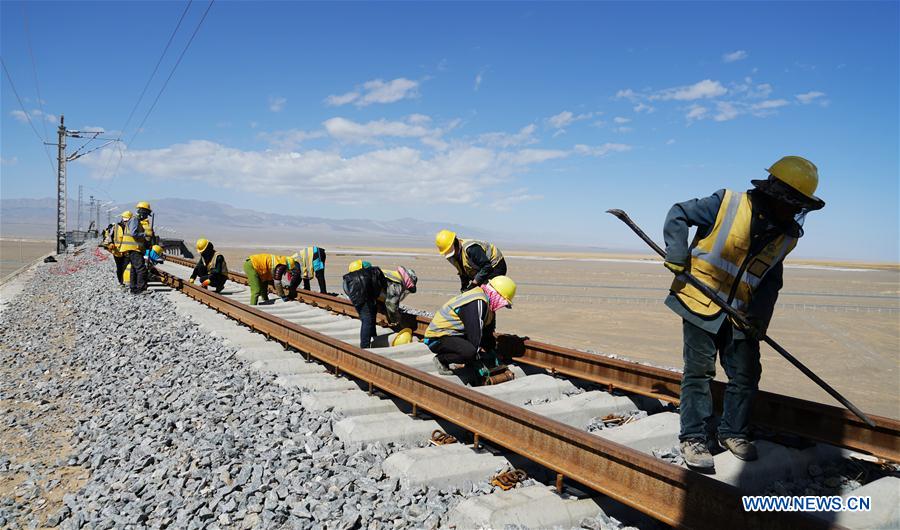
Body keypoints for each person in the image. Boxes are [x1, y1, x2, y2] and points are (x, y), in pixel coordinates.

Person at [662, 156, 825, 469]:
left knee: (747, 373)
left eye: (799, 206)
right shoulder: (727, 203)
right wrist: (677, 252)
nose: (794, 211)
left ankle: (733, 432)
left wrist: (759, 319)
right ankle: (693, 437)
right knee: (699, 371)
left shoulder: (786, 235)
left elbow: (770, 280)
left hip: (740, 313)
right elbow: (679, 213)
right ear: (776, 194)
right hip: (700, 299)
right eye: (792, 203)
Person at [423, 275, 516, 376]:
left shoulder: (488, 305)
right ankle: (441, 359)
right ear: (497, 295)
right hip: (438, 337)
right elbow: (475, 335)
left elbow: (487, 333)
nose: (501, 306)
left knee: (474, 350)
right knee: (469, 353)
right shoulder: (477, 301)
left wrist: (492, 353)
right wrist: (478, 359)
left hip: (453, 335)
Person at [435, 230, 506, 292]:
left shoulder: (471, 249)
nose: (452, 256)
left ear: (455, 243)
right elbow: (463, 271)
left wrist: (473, 284)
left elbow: (486, 267)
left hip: (496, 266)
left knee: (484, 290)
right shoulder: (452, 256)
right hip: (481, 267)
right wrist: (464, 287)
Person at [342, 260, 387, 348]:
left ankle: (373, 337)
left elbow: (347, 290)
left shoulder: (349, 278)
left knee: (369, 317)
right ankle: (364, 346)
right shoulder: (371, 273)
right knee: (367, 320)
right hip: (364, 298)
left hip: (357, 299)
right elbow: (378, 286)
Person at [119, 202, 153, 294]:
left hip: (133, 248)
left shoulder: (135, 220)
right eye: (146, 214)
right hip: (133, 248)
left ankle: (134, 289)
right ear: (142, 212)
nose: (146, 217)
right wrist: (145, 234)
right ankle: (141, 289)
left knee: (134, 269)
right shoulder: (134, 220)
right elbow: (133, 233)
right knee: (141, 268)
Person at [110, 211, 132, 286]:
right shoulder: (116, 226)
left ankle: (124, 281)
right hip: (117, 251)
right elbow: (111, 236)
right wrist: (111, 243)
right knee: (119, 267)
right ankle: (120, 282)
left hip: (126, 251)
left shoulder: (131, 227)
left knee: (125, 267)